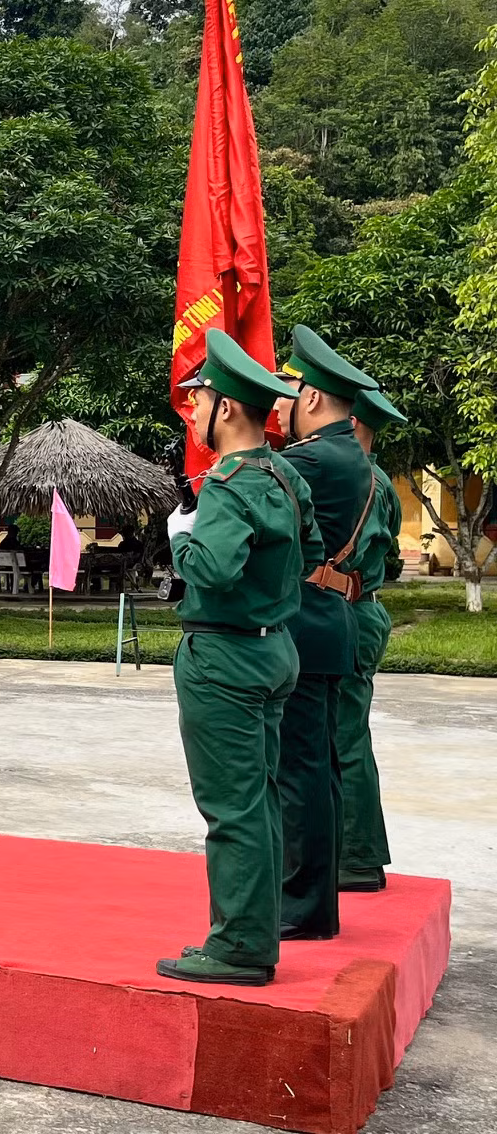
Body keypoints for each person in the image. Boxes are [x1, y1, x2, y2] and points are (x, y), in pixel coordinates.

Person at [155, 330, 308, 987]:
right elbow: (312, 548)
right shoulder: (284, 474)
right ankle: (255, 931)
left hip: (224, 656)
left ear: (229, 408)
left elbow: (212, 571)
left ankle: (241, 946)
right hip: (273, 648)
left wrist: (181, 539)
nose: (191, 410)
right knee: (260, 801)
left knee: (233, 808)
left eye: (200, 399)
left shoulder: (228, 484)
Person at [269, 327, 378, 944]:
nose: (275, 405)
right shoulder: (346, 453)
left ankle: (303, 905)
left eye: (283, 392)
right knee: (318, 769)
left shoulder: (311, 459)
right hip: (326, 622)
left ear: (309, 397)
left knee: (300, 772)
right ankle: (315, 901)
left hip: (305, 624)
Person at [337, 386, 407, 894]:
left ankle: (357, 858)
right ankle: (356, 854)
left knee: (345, 737)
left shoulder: (359, 480)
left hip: (351, 611)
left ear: (351, 422)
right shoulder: (377, 480)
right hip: (363, 609)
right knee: (348, 734)